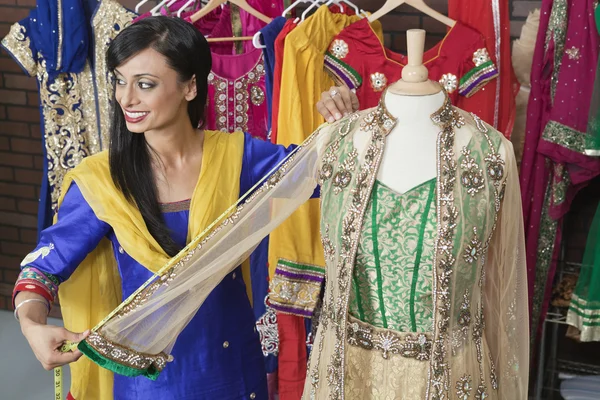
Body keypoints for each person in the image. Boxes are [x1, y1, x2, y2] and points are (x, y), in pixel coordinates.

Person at [12, 16, 356, 400]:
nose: (126, 98)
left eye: (145, 84)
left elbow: (328, 173)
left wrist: (344, 125)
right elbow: (41, 270)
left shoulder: (236, 158)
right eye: (119, 81)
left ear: (190, 86)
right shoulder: (103, 182)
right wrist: (30, 323)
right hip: (149, 380)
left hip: (234, 370)